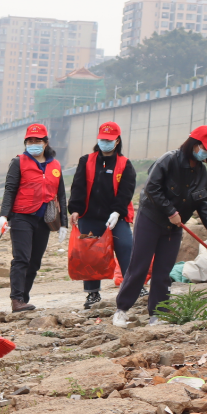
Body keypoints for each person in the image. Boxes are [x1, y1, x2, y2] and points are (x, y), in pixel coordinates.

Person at [113, 126, 207, 327]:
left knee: (164, 270)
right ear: (194, 144)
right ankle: (122, 309)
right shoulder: (169, 160)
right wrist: (171, 211)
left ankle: (158, 313)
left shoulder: (201, 173)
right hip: (151, 218)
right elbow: (152, 188)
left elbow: (203, 203)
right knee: (140, 265)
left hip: (174, 226)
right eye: (204, 148)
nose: (205, 154)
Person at [67, 122, 137, 309]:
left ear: (117, 141)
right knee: (90, 255)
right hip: (89, 216)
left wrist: (117, 211)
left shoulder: (125, 164)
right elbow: (78, 186)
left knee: (125, 247)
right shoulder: (86, 160)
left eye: (109, 140)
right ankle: (92, 294)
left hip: (116, 217)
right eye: (102, 139)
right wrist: (75, 209)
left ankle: (134, 287)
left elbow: (126, 191)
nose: (105, 142)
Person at [0, 123, 67, 312]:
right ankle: (16, 300)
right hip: (21, 216)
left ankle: (24, 298)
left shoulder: (55, 165)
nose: (33, 144)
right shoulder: (18, 162)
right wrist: (4, 216)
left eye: (37, 141)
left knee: (35, 262)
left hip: (45, 220)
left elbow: (60, 194)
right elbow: (10, 189)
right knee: (21, 259)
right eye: (30, 141)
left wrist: (64, 223)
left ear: (45, 143)